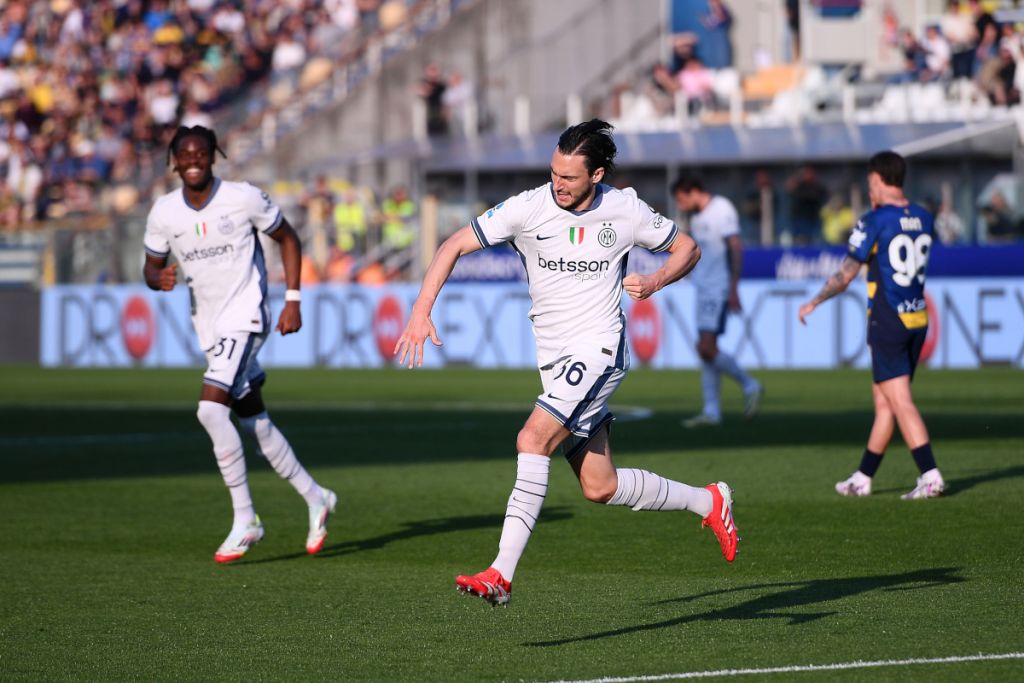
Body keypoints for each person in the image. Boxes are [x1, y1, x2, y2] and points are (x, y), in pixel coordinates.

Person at [394, 119, 739, 606]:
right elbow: (453, 245)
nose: (558, 184)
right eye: (554, 172)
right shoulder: (527, 207)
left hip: (599, 350)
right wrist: (419, 312)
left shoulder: (624, 210)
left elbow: (688, 248)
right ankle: (709, 501)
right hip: (555, 361)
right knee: (600, 487)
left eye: (569, 177)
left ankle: (500, 574)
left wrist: (656, 280)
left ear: (597, 175)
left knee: (531, 439)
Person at [143, 125, 337, 563]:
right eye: (185, 155)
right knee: (255, 422)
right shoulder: (164, 213)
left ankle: (246, 517)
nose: (193, 161)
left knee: (210, 410)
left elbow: (288, 237)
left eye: (201, 154)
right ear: (174, 162)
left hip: (247, 315)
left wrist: (292, 298)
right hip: (208, 325)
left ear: (214, 157)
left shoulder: (243, 197)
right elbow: (150, 268)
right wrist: (160, 278)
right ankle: (316, 496)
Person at [798, 151, 945, 500]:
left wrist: (815, 300)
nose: (869, 190)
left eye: (869, 183)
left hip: (888, 319)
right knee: (886, 402)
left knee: (900, 400)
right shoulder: (924, 216)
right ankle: (863, 477)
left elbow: (846, 274)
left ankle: (930, 474)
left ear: (878, 179)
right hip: (916, 317)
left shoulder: (874, 220)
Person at [672, 178, 762, 428]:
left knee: (706, 347)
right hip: (703, 289)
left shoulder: (721, 209)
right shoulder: (698, 217)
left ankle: (749, 384)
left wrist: (733, 287)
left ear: (693, 191)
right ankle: (711, 411)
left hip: (718, 289)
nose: (681, 204)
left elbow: (735, 247)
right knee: (705, 350)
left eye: (681, 198)